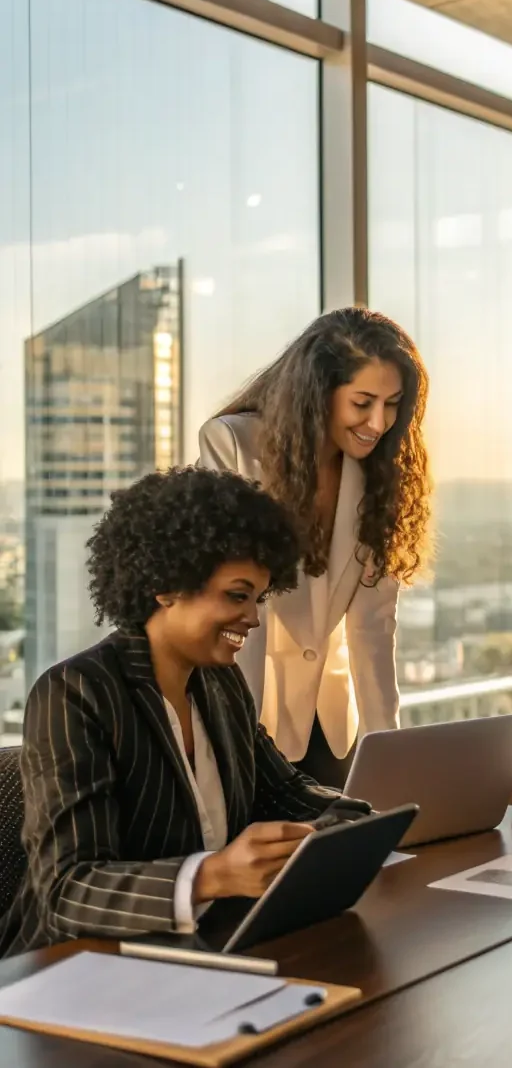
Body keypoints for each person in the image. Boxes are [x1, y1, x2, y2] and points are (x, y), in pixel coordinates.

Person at [0, 467, 373, 958]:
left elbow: (285, 791)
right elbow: (66, 889)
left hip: (194, 950)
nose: (253, 617)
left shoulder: (220, 684)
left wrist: (355, 821)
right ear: (167, 585)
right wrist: (212, 875)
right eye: (237, 596)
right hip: (68, 969)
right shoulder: (76, 693)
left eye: (258, 598)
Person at [198, 308, 431, 788]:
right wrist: (238, 743)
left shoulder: (379, 477)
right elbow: (237, 605)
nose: (379, 422)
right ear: (318, 392)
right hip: (248, 705)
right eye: (363, 402)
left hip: (329, 723)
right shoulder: (235, 446)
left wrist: (392, 759)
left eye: (392, 404)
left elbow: (371, 627)